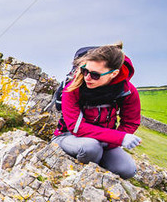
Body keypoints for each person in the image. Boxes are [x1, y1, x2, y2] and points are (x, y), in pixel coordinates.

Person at [52, 42, 141, 179]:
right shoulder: (73, 87)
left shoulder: (127, 90)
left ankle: (99, 160)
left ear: (114, 74)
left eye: (95, 75)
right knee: (91, 148)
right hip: (69, 136)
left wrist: (111, 142)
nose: (87, 77)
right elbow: (76, 127)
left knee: (127, 170)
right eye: (85, 71)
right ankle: (86, 174)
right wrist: (118, 138)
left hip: (104, 142)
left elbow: (131, 122)